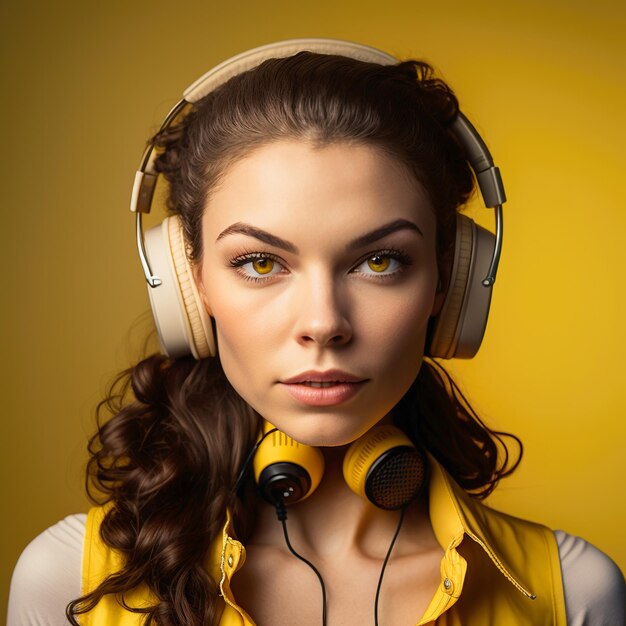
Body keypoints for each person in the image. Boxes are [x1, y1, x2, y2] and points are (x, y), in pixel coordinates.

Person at [8, 38, 625, 626]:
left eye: (379, 261)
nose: (324, 324)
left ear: (449, 282)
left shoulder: (571, 595)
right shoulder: (70, 583)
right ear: (190, 286)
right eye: (260, 263)